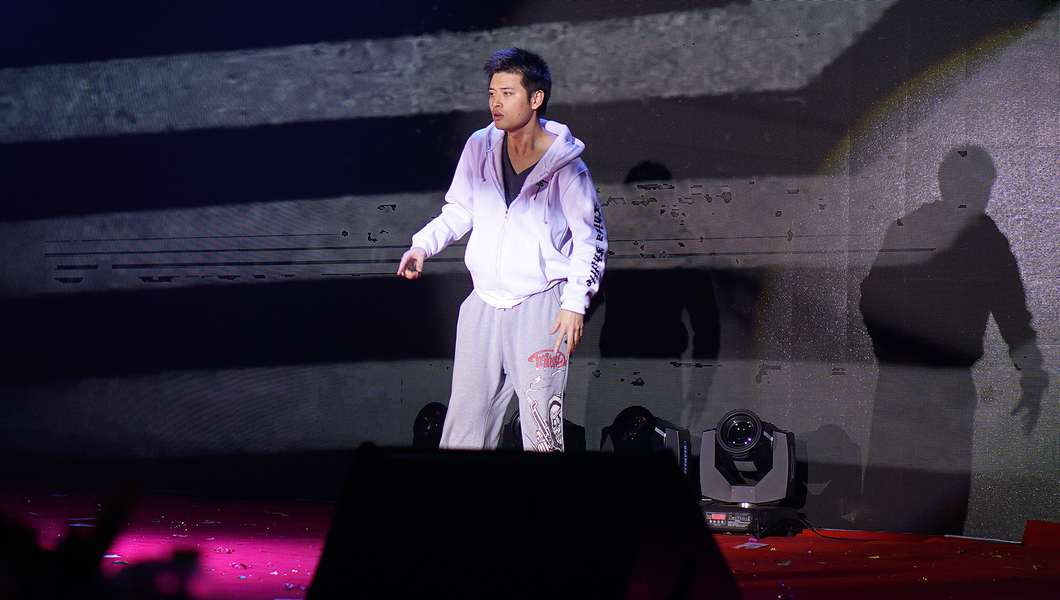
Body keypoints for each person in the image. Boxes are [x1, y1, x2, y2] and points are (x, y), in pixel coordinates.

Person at [397, 47, 607, 452]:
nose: (496, 102)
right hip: (484, 302)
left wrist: (574, 304)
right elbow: (460, 209)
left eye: (508, 93)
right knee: (465, 420)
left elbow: (591, 240)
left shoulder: (567, 167)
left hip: (541, 306)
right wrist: (423, 244)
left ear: (536, 98)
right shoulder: (479, 146)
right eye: (492, 93)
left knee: (541, 424)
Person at [858, 144, 1048, 534]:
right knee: (940, 494)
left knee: (891, 491)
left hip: (903, 381)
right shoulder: (986, 240)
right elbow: (1014, 316)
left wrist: (892, 354)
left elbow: (872, 297)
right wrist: (1031, 377)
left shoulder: (912, 227)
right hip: (944, 383)